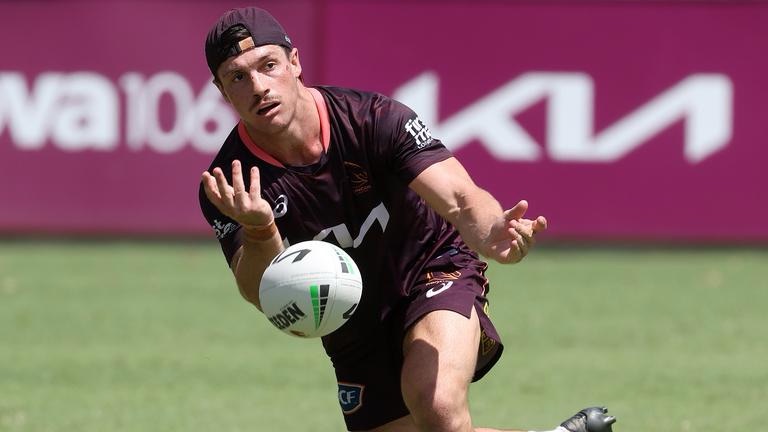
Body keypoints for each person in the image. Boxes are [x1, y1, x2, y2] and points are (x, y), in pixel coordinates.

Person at [199, 6, 617, 432]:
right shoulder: (228, 183)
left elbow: (459, 198)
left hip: (431, 270)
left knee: (436, 407)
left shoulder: (374, 119)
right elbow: (259, 292)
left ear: (294, 62)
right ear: (221, 91)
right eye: (238, 77)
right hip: (349, 322)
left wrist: (492, 231)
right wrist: (260, 229)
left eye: (268, 66)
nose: (259, 87)